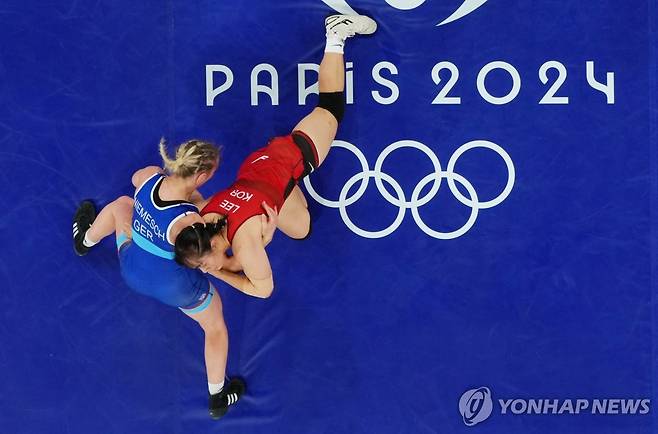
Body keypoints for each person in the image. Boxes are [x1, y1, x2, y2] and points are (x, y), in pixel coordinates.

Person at [173, 14, 377, 297]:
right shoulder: (201, 216)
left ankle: (335, 35)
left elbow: (262, 289)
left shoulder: (245, 247)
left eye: (204, 264)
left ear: (215, 246)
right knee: (301, 229)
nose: (205, 270)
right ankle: (284, 177)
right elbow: (221, 248)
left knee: (331, 108)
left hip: (290, 156)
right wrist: (236, 252)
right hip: (258, 172)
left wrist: (221, 271)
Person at [71, 139, 276, 419]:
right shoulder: (192, 223)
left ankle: (85, 239)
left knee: (121, 206)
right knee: (215, 326)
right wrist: (264, 238)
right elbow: (218, 262)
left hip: (132, 268)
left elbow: (138, 179)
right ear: (202, 176)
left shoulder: (149, 178)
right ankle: (217, 396)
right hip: (174, 287)